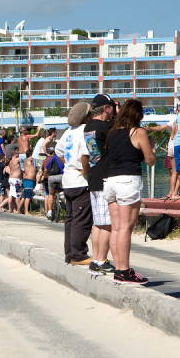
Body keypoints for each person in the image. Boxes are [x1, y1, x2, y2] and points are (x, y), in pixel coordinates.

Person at [104, 99, 156, 283]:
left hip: (110, 181)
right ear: (137, 115)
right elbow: (150, 160)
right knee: (126, 228)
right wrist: (150, 146)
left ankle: (119, 269)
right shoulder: (138, 131)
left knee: (117, 228)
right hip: (128, 180)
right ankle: (124, 271)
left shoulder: (113, 133)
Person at [55, 102, 93, 265]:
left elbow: (58, 151)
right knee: (81, 219)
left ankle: (70, 254)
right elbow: (85, 155)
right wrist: (86, 172)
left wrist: (69, 163)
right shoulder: (87, 131)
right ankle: (78, 255)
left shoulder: (68, 132)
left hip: (68, 180)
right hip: (79, 181)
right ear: (86, 116)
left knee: (70, 219)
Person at [84, 94, 116, 275]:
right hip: (105, 178)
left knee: (97, 224)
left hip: (94, 175)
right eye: (112, 107)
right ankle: (100, 260)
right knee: (106, 224)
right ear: (106, 108)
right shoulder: (106, 127)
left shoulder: (89, 126)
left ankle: (96, 258)